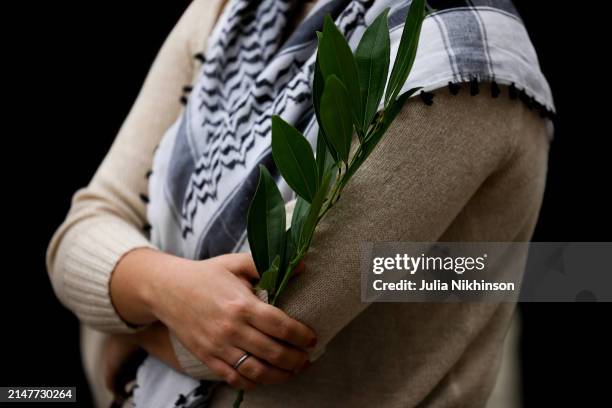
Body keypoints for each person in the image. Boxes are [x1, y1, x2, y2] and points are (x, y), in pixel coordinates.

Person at [47, 0, 554, 406]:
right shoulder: (228, 12)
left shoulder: (453, 58)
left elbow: (264, 338)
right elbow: (82, 227)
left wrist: (116, 321)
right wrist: (159, 289)